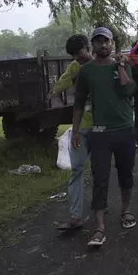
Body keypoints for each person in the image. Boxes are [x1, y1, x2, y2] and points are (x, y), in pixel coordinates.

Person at [72, 27, 137, 247]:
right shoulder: (87, 71)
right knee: (100, 178)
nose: (103, 45)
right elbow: (79, 103)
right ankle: (99, 227)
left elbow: (128, 90)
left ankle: (126, 210)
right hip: (99, 132)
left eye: (106, 41)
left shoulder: (122, 64)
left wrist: (120, 66)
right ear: (92, 46)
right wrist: (74, 131)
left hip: (125, 128)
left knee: (126, 173)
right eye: (98, 42)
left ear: (111, 44)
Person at [50, 35, 94, 231]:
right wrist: (74, 76)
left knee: (101, 172)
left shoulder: (104, 64)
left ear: (88, 47)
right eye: (75, 56)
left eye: (80, 53)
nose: (78, 58)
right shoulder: (76, 67)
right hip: (81, 128)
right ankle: (76, 216)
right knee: (77, 169)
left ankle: (102, 207)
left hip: (103, 128)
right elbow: (60, 85)